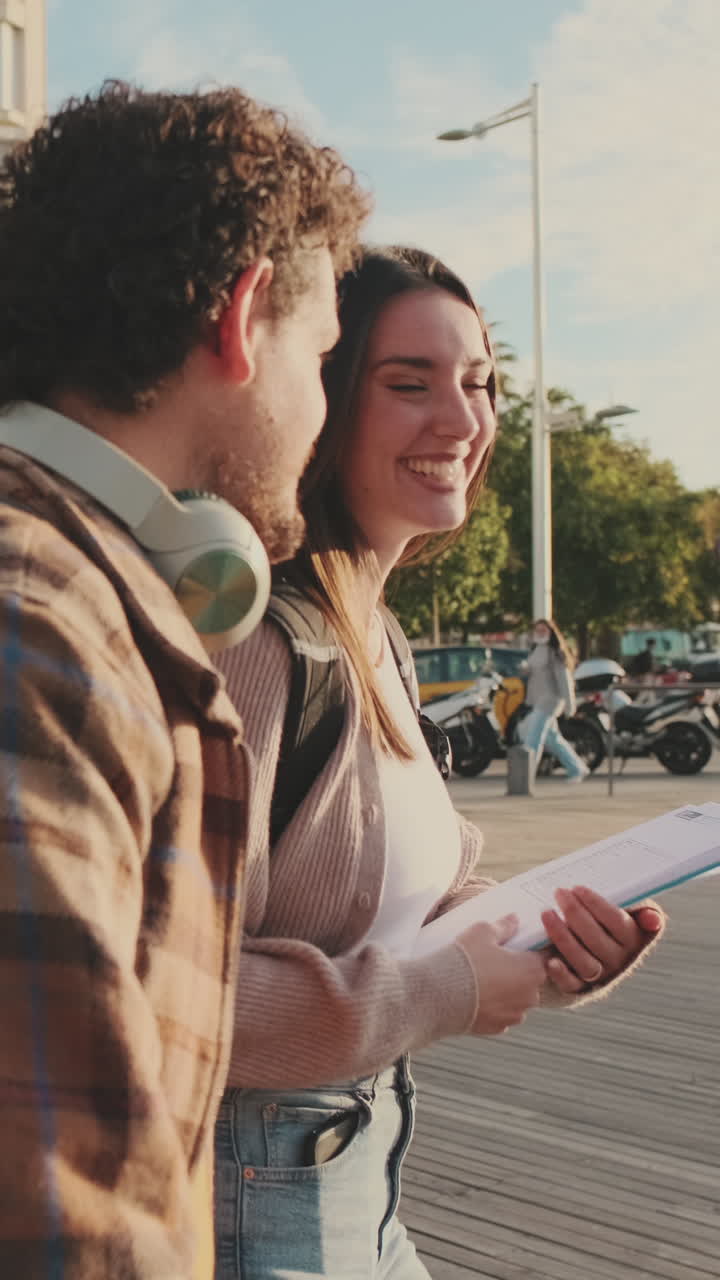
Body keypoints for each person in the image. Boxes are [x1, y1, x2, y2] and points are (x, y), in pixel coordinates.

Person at [212, 246, 664, 1279]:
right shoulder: (262, 644)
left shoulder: (378, 634)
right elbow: (175, 990)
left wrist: (547, 939)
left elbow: (396, 897)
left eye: (479, 383)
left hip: (357, 1172)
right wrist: (441, 993)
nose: (461, 421)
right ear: (320, 400)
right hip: (246, 1191)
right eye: (407, 383)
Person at [0, 82, 369, 1278]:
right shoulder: (44, 629)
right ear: (242, 313)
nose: (321, 413)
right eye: (321, 356)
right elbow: (63, 1222)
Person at [521, 618, 589, 783]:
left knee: (533, 739)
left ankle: (525, 777)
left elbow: (564, 679)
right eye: (537, 630)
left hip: (550, 701)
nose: (540, 633)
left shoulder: (556, 652)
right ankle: (577, 769)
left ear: (551, 632)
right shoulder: (535, 650)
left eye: (543, 630)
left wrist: (570, 704)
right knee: (553, 739)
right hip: (538, 701)